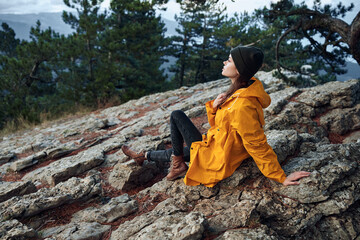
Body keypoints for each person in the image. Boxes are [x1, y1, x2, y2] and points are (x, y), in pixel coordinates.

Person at [121, 45, 310, 187]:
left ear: (239, 70)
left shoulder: (242, 105)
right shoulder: (243, 88)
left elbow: (256, 143)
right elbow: (219, 125)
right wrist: (215, 108)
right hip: (216, 144)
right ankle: (143, 156)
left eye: (229, 60)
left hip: (219, 154)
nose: (224, 62)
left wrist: (281, 177)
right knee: (181, 153)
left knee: (177, 117)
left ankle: (167, 162)